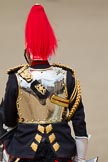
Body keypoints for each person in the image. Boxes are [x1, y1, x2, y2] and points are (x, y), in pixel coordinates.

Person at [1, 4, 88, 162]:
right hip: (61, 152)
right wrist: (81, 159)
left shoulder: (15, 78)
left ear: (28, 47)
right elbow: (79, 122)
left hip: (24, 152)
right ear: (50, 44)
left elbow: (7, 120)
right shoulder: (67, 76)